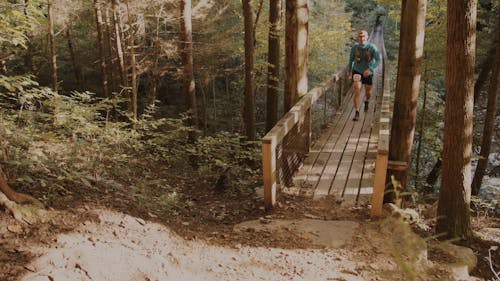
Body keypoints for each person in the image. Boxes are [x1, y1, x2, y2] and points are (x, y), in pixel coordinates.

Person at [347, 30, 381, 121]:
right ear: (358, 37)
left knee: (368, 92)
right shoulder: (355, 47)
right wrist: (349, 71)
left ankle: (367, 101)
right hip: (357, 71)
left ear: (367, 37)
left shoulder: (372, 47)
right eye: (360, 36)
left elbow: (378, 60)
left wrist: (370, 69)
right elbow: (351, 60)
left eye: (363, 36)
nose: (362, 38)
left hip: (368, 72)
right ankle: (357, 112)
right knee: (357, 90)